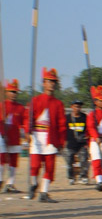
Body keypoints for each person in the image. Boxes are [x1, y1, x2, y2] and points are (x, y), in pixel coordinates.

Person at [25, 68, 66, 202]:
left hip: (50, 137)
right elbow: (28, 118)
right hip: (37, 135)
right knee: (35, 165)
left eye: (54, 81)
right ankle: (33, 183)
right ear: (44, 83)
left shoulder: (58, 104)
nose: (52, 84)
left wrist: (62, 140)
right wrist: (27, 131)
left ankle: (44, 192)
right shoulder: (35, 101)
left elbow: (61, 124)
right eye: (49, 81)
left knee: (49, 167)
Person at [3, 79, 27, 192]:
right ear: (6, 92)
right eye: (11, 91)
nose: (13, 94)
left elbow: (25, 123)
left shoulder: (21, 108)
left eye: (15, 92)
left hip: (15, 137)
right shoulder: (2, 106)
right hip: (2, 137)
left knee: (14, 161)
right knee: (2, 160)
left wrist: (27, 133)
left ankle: (10, 184)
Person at [65, 100, 89, 184]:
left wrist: (87, 141)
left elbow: (88, 129)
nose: (77, 108)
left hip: (82, 144)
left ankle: (83, 176)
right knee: (69, 161)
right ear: (72, 107)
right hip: (70, 143)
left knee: (84, 160)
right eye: (75, 106)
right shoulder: (67, 118)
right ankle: (71, 177)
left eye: (79, 107)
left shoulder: (84, 117)